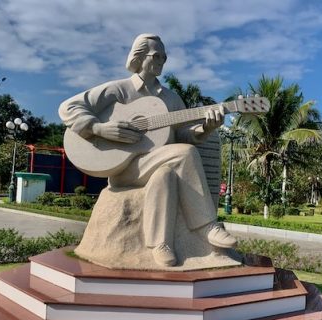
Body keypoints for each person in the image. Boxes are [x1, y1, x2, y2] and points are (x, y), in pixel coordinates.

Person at [59, 33, 236, 267]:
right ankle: (207, 226)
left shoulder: (172, 99)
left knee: (165, 175)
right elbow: (68, 107)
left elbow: (183, 134)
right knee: (184, 154)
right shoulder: (119, 90)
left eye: (165, 56)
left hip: (157, 164)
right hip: (123, 168)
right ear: (139, 56)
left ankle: (160, 244)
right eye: (156, 55)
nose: (162, 60)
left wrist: (205, 128)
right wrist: (99, 128)